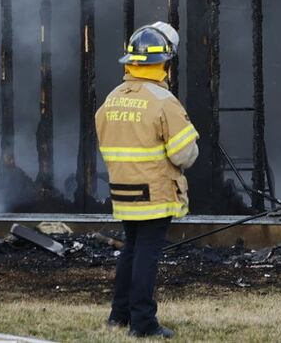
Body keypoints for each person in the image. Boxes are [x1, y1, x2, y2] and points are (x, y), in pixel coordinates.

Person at [96, 21, 198, 339]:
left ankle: (118, 316)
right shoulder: (163, 101)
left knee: (131, 249)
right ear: (164, 62)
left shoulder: (112, 98)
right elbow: (184, 154)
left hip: (122, 191)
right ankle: (143, 323)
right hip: (154, 192)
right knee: (146, 255)